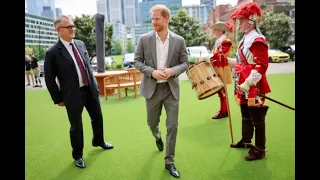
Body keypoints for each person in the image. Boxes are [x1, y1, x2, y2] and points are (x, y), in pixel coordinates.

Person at [44, 15, 113, 168]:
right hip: (72, 95)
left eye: (73, 26)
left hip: (90, 90)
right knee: (76, 126)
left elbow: (87, 66)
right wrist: (58, 99)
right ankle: (78, 156)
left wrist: (94, 85)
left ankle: (99, 141)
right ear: (58, 30)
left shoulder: (81, 44)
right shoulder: (52, 52)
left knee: (97, 117)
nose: (73, 29)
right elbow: (49, 79)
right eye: (69, 27)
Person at [134, 4, 189, 178]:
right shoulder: (144, 39)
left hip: (171, 89)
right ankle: (157, 135)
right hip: (152, 89)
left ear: (166, 19)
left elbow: (185, 63)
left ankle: (169, 162)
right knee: (152, 123)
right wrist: (152, 72)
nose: (153, 22)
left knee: (172, 126)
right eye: (152, 19)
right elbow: (137, 61)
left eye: (157, 19)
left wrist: (173, 71)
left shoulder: (179, 40)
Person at [227, 2, 271, 161]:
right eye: (238, 20)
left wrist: (248, 83)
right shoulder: (246, 38)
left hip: (254, 85)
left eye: (242, 20)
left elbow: (261, 65)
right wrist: (228, 61)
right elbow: (243, 62)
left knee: (257, 118)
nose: (239, 23)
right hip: (243, 82)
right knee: (245, 113)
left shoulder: (257, 39)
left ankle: (260, 148)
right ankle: (246, 140)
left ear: (251, 21)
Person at [209, 21, 234, 119]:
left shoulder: (226, 41)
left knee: (222, 92)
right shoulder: (219, 41)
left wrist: (210, 58)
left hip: (223, 68)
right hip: (218, 68)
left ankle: (223, 112)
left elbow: (221, 54)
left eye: (215, 30)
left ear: (220, 31)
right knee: (221, 92)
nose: (214, 31)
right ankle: (224, 110)